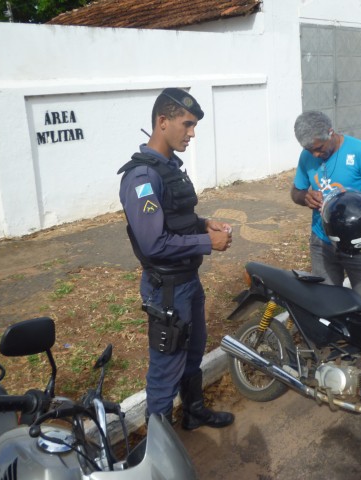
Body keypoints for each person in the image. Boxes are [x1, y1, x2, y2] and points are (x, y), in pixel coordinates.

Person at [117, 88, 234, 430]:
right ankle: (159, 444)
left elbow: (175, 218)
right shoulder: (142, 178)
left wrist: (203, 223)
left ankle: (194, 412)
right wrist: (207, 242)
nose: (192, 133)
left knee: (193, 353)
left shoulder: (168, 168)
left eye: (195, 125)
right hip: (166, 290)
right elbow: (153, 243)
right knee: (166, 364)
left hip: (187, 282)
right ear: (162, 121)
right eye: (187, 124)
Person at [290, 111, 361, 315]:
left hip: (358, 243)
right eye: (309, 150)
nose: (315, 155)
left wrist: (353, 211)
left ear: (330, 132)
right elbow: (296, 191)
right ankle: (337, 342)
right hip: (322, 243)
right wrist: (305, 198)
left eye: (319, 149)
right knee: (326, 302)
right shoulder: (307, 156)